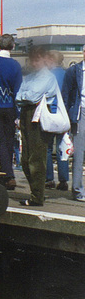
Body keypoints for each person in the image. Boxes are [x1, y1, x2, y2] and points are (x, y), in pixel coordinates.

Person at [16, 46, 61, 206]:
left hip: (39, 117)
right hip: (26, 115)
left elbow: (32, 95)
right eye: (32, 58)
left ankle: (37, 196)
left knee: (37, 158)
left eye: (37, 59)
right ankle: (35, 193)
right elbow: (19, 96)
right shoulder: (30, 77)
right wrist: (25, 96)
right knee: (25, 159)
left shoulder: (47, 77)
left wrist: (25, 96)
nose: (33, 62)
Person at [0, 34, 23, 189]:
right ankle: (8, 175)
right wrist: (18, 115)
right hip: (9, 107)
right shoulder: (16, 65)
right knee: (8, 142)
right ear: (13, 47)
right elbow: (17, 91)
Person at [62, 46, 85, 202]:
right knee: (79, 153)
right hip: (80, 112)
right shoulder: (74, 71)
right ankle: (77, 190)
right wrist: (66, 118)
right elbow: (66, 94)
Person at [45, 51, 69, 191]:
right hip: (63, 115)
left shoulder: (47, 75)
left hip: (50, 114)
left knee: (47, 148)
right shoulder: (67, 74)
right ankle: (64, 180)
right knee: (62, 147)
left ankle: (49, 179)